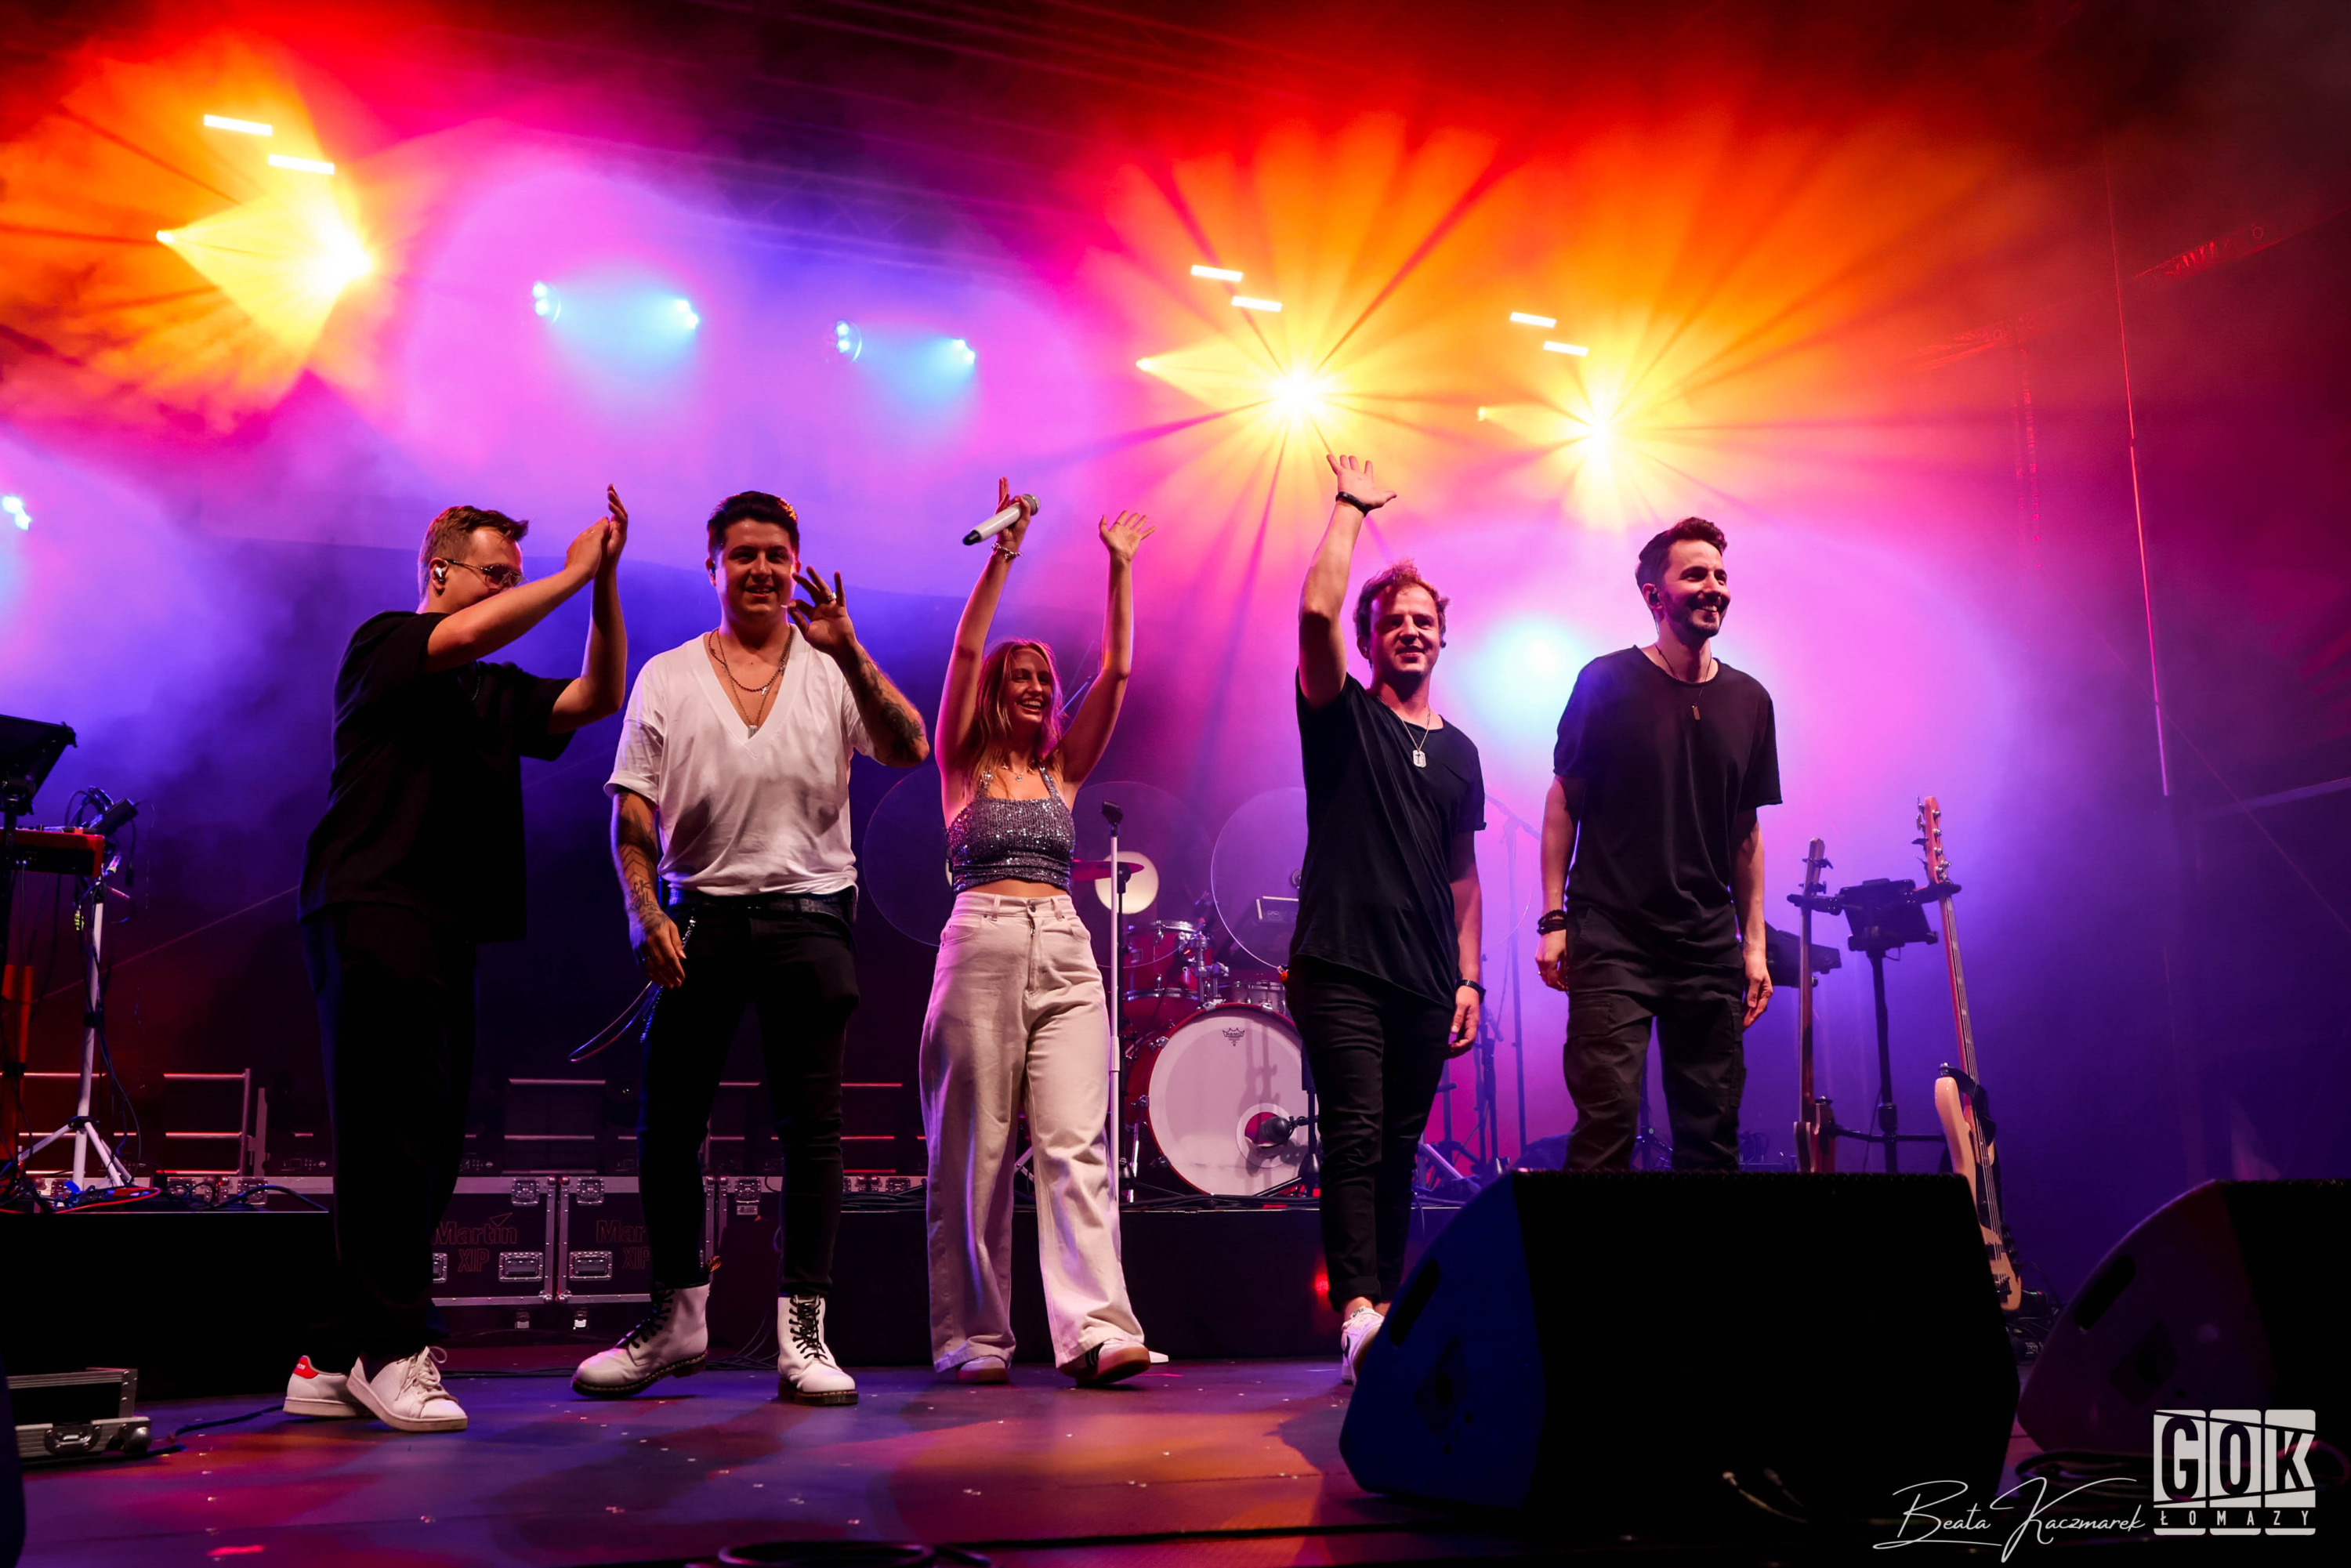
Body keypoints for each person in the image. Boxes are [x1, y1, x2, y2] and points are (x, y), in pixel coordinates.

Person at [571, 490, 929, 1406]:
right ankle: (677, 1319)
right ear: (714, 569)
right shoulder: (667, 675)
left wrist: (851, 650)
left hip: (810, 915)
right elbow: (633, 812)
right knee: (668, 1129)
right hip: (698, 919)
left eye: (776, 554)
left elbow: (910, 747)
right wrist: (642, 914)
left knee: (812, 1132)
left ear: (796, 564)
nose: (761, 569)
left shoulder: (830, 667)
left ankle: (802, 1330)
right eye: (743, 555)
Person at [289, 492, 629, 1433]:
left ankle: (333, 1354)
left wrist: (600, 587)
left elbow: (596, 697)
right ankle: (393, 1349)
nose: (510, 591)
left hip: (446, 923)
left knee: (430, 1142)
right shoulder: (387, 641)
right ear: (441, 571)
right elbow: (467, 634)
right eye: (497, 575)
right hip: (371, 903)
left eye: (517, 578)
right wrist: (570, 572)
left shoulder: (490, 689)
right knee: (392, 1133)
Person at [920, 481, 1157, 1387]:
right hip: (980, 940)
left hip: (1063, 947)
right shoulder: (962, 763)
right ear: (995, 692)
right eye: (1018, 677)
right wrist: (1005, 554)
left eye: (1042, 679)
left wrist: (1119, 568)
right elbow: (965, 647)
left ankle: (1095, 1331)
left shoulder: (1063, 771)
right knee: (973, 1155)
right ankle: (973, 1338)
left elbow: (1120, 672)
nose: (1032, 686)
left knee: (1074, 1143)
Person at [1291, 453, 1485, 1387]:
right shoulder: (1340, 715)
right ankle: (1358, 1311)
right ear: (1371, 639)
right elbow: (1313, 614)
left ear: (1443, 639)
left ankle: (1387, 1315)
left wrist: (1469, 978)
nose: (1410, 631)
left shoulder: (1462, 754)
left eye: (1424, 621)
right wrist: (1349, 510)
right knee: (1357, 1136)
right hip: (1339, 965)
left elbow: (1463, 876)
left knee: (1401, 1151)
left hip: (1425, 977)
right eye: (1394, 621)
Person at [1535, 516, 1780, 1171]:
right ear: (1654, 594)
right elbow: (1564, 801)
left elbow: (1746, 831)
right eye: (1695, 574)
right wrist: (1554, 919)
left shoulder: (1750, 699)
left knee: (1712, 1136)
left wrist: (1754, 946)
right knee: (1608, 1122)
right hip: (1613, 935)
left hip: (1704, 944)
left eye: (1721, 575)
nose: (1714, 587)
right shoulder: (1605, 680)